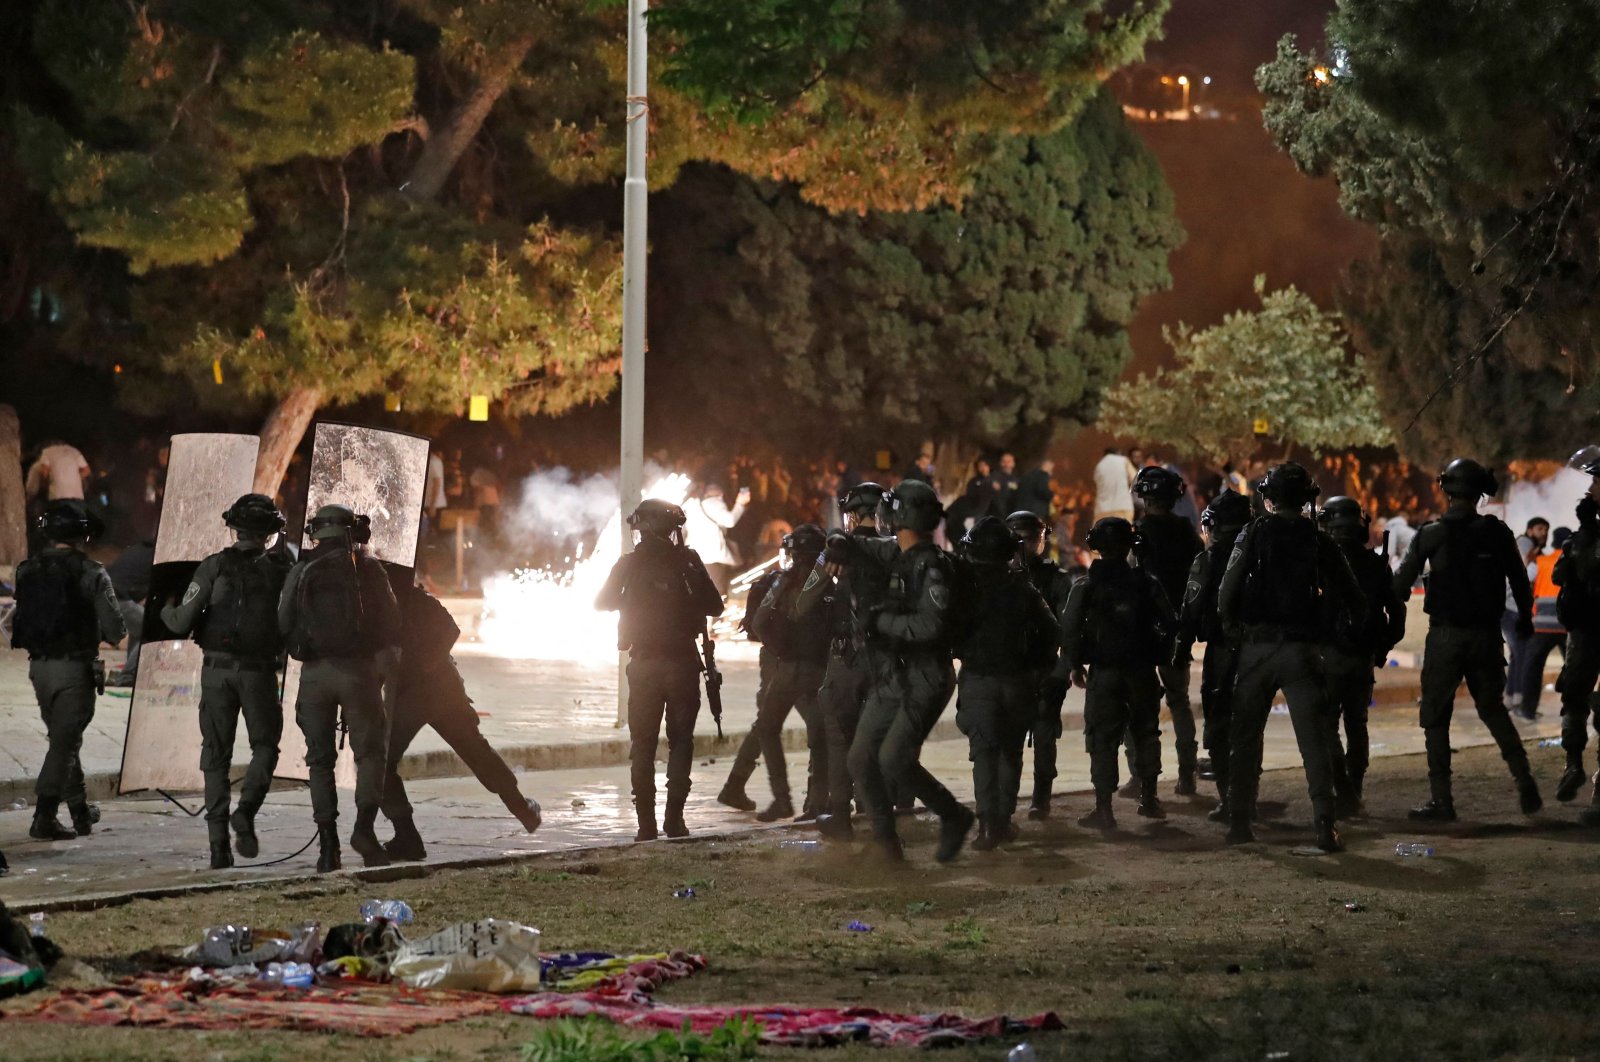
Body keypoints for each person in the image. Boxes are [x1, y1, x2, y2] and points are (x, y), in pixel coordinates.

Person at [824, 479, 976, 861]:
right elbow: (858, 543)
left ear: (902, 515)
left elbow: (931, 625)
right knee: (860, 757)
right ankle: (884, 840)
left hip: (924, 676)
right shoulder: (902, 554)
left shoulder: (931, 565)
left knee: (893, 759)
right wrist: (839, 542)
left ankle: (953, 815)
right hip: (895, 675)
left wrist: (882, 622)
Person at [1219, 462, 1362, 852]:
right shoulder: (1320, 540)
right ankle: (1325, 823)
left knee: (1245, 737)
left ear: (1268, 497)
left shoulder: (1253, 532)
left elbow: (1227, 591)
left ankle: (1238, 822)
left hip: (1257, 649)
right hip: (1303, 651)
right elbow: (1353, 597)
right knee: (1314, 741)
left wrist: (1234, 633)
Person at [1391, 459, 1541, 822]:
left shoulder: (1431, 533)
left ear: (1446, 488)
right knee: (1493, 710)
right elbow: (1520, 582)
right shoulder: (1497, 532)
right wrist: (1524, 621)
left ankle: (1442, 801)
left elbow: (1399, 585)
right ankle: (1524, 781)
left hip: (1445, 637)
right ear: (1480, 492)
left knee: (1436, 716)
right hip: (1487, 636)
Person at [159, 494, 293, 869]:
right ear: (270, 534)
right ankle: (246, 812)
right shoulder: (285, 569)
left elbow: (180, 621)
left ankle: (219, 847)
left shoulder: (214, 566)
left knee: (215, 755)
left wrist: (164, 606)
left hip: (216, 672)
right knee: (265, 747)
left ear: (234, 528)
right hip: (260, 674)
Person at [380, 577, 542, 859]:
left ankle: (521, 809)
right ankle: (522, 809)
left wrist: (422, 667)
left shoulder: (404, 596)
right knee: (474, 750)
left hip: (431, 689)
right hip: (430, 688)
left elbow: (450, 629)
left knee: (382, 761)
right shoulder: (391, 596)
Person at [279, 504, 402, 872]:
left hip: (315, 677)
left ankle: (328, 847)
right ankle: (364, 831)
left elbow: (283, 621)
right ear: (352, 533)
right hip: (360, 676)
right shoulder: (369, 568)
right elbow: (393, 620)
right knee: (370, 755)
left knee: (319, 761)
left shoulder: (301, 570)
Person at [595, 499, 725, 841]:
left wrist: (633, 598)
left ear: (645, 528)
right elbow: (716, 606)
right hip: (682, 665)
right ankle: (675, 823)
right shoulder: (689, 562)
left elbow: (601, 603)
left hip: (645, 666)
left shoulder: (629, 564)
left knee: (643, 746)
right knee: (681, 744)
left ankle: (646, 827)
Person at [10, 499, 125, 842]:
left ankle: (79, 811)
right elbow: (116, 628)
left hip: (39, 669)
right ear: (83, 537)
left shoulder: (25, 569)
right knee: (65, 743)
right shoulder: (93, 573)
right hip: (75, 669)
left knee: (62, 741)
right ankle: (44, 815)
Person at [1059, 516, 1175, 829]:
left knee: (1102, 738)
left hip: (1105, 672)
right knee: (1146, 734)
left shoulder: (1085, 585)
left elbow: (1069, 630)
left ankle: (1104, 809)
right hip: (1141, 673)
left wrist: (1073, 665)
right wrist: (1160, 657)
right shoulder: (1146, 583)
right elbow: (1169, 624)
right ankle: (1149, 799)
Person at [954, 517, 1059, 848]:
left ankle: (986, 826)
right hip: (1017, 681)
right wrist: (1036, 665)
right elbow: (1052, 631)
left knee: (983, 753)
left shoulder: (964, 589)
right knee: (1010, 752)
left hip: (978, 679)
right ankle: (1002, 821)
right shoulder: (1022, 588)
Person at [795, 483, 891, 841]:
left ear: (852, 515)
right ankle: (881, 815)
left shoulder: (839, 551)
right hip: (889, 661)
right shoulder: (898, 549)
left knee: (839, 737)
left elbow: (803, 603)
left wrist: (827, 559)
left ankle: (841, 816)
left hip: (847, 660)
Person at [716, 525, 831, 821]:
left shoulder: (779, 581)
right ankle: (816, 801)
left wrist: (780, 647)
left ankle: (782, 798)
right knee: (818, 732)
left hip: (784, 664)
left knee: (768, 726)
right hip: (816, 667)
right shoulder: (828, 583)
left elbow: (757, 622)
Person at [1317, 496, 1407, 814]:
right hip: (1361, 658)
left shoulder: (1320, 562)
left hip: (1328, 657)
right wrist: (1380, 649)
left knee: (1326, 725)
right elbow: (1397, 614)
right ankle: (1353, 789)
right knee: (1357, 724)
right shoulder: (1375, 564)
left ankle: (1343, 789)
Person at [1173, 489, 1252, 823]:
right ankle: (1248, 797)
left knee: (1220, 726)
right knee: (1249, 728)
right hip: (1259, 651)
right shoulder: (1262, 553)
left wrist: (1181, 649)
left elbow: (1192, 608)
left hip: (1223, 652)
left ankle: (1230, 800)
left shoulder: (1210, 559)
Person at [1132, 466, 1205, 795]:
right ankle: (1186, 775)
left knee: (1139, 704)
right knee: (1179, 701)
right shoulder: (1187, 532)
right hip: (1177, 626)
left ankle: (1141, 775)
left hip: (1144, 627)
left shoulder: (1137, 534)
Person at [1006, 510, 1076, 819]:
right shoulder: (1003, 577)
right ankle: (1035, 800)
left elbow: (1068, 627)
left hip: (1033, 669)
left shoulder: (1003, 577)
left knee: (1028, 738)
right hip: (1024, 669)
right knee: (1035, 737)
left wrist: (1066, 665)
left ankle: (1032, 799)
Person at [1554, 447, 1600, 811]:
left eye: (1596, 482)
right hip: (1583, 629)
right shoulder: (1583, 536)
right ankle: (1574, 765)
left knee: (1574, 694)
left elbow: (1571, 572)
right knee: (1573, 693)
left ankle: (1576, 764)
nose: (1590, 488)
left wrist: (1583, 535)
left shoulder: (1586, 536)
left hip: (1586, 632)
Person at [1519, 526, 1571, 719]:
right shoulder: (1574, 562)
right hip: (1567, 625)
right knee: (1574, 668)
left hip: (1541, 625)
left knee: (1532, 666)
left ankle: (1528, 709)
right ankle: (1572, 710)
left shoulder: (1540, 561)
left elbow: (1524, 580)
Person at [1503, 518, 1550, 716]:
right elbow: (1522, 573)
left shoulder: (1531, 548)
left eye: (1546, 530)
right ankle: (1519, 700)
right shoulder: (1525, 543)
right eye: (1540, 529)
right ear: (1530, 530)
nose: (1543, 533)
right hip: (1511, 607)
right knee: (1522, 652)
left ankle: (1511, 698)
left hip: (1511, 608)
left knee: (1517, 654)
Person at [104, 538, 155, 686]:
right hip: (118, 599)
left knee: (138, 629)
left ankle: (136, 673)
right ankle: (128, 676)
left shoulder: (135, 549)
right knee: (150, 631)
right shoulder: (155, 555)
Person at [683, 483, 749, 594]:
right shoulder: (714, 503)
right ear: (721, 495)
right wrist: (740, 504)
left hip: (692, 555)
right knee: (717, 592)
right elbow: (730, 521)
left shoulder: (692, 505)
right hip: (711, 557)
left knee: (697, 591)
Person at [24, 440, 90, 502]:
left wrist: (46, 482)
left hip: (56, 496)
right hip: (77, 497)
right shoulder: (74, 452)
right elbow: (87, 471)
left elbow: (44, 474)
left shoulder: (45, 455)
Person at [1093, 447, 1136, 522]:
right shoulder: (1123, 460)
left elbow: (1096, 485)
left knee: (1102, 532)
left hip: (1102, 510)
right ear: (1118, 453)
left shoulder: (1099, 465)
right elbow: (1135, 479)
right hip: (1123, 507)